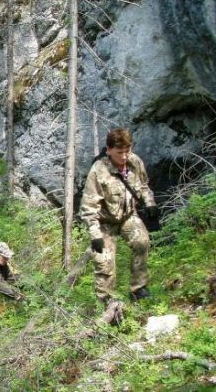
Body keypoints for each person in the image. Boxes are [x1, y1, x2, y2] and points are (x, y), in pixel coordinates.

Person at [80, 128, 158, 321]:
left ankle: (138, 289)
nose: (124, 156)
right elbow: (89, 206)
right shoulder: (98, 171)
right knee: (104, 263)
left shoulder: (135, 162)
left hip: (127, 216)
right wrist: (94, 234)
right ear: (108, 150)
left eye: (127, 150)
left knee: (142, 242)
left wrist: (150, 203)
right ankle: (106, 304)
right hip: (103, 222)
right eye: (119, 152)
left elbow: (144, 185)